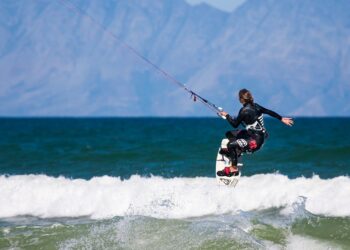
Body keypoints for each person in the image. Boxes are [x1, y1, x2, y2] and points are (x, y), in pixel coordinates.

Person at [217, 89, 293, 177]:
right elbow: (269, 112)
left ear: (241, 99)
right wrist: (281, 118)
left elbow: (235, 124)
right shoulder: (256, 106)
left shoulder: (243, 111)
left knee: (230, 145)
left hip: (255, 142)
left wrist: (226, 116)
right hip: (254, 135)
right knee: (229, 134)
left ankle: (234, 169)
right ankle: (236, 152)